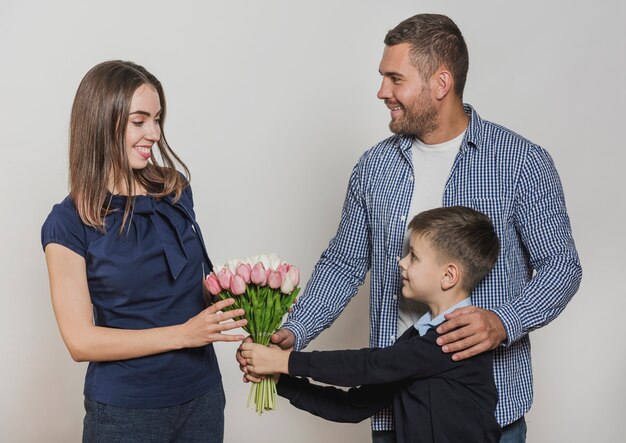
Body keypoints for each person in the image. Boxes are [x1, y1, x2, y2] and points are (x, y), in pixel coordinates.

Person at [237, 13, 582, 443]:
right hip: (392, 408)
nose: (382, 92)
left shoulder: (520, 162)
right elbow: (343, 264)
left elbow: (562, 266)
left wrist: (503, 321)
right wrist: (295, 331)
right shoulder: (374, 167)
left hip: (490, 416)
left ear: (440, 83)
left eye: (395, 79)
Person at [41, 60, 247, 442]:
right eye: (140, 121)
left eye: (157, 119)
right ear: (103, 122)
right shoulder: (68, 222)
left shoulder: (175, 189)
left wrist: (247, 302)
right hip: (124, 413)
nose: (154, 132)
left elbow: (185, 289)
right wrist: (184, 334)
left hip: (202, 396)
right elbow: (80, 341)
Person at [241, 207, 502, 443]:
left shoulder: (454, 338)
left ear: (448, 276)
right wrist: (279, 379)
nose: (401, 262)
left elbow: (370, 365)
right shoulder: (417, 340)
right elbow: (352, 407)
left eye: (413, 256)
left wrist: (284, 362)